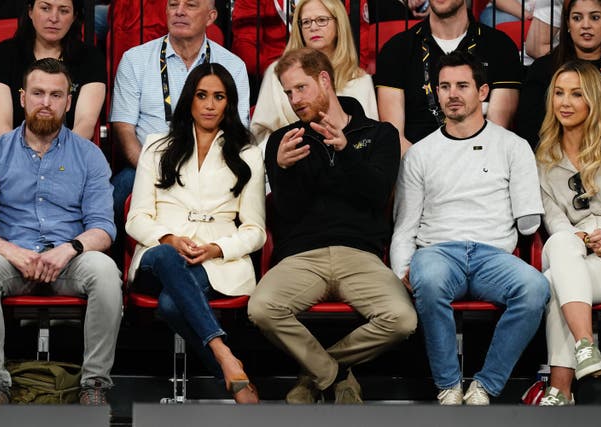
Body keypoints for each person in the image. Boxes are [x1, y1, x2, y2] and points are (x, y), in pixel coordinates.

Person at [248, 47, 417, 404]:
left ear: (324, 80)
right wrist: (281, 170)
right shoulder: (282, 141)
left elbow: (376, 196)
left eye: (300, 88)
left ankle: (313, 376)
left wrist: (346, 153)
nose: (294, 100)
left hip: (360, 254)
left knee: (402, 319)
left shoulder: (380, 133)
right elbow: (288, 213)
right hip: (300, 256)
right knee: (261, 308)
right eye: (288, 91)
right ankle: (336, 374)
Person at [390, 51, 549, 405]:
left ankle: (485, 386)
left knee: (535, 288)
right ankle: (448, 385)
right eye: (444, 86)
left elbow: (529, 224)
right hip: (437, 252)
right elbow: (405, 225)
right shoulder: (420, 153)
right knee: (427, 279)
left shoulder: (513, 146)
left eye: (462, 85)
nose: (452, 94)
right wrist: (403, 266)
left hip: (493, 255)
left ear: (484, 91)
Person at [126, 63, 265, 404]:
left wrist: (216, 248)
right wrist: (169, 239)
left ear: (229, 103)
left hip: (214, 261)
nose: (209, 105)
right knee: (163, 256)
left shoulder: (247, 152)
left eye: (219, 97)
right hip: (157, 257)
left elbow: (255, 230)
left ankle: (225, 372)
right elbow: (136, 218)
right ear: (189, 99)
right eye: (202, 95)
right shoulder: (157, 146)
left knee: (172, 305)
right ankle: (225, 356)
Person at [0, 58, 121, 406]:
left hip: (68, 260)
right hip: (11, 258)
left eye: (55, 94)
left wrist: (68, 249)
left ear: (68, 102)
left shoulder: (90, 156)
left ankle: (94, 385)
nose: (45, 102)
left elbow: (103, 228)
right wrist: (11, 252)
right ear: (22, 98)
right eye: (37, 93)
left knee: (106, 273)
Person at [110, 0, 250, 266]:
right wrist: (149, 168)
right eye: (173, 4)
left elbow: (237, 131)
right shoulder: (136, 59)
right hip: (148, 165)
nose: (179, 11)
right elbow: (124, 129)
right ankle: (119, 277)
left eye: (190, 5)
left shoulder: (232, 65)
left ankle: (232, 271)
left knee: (246, 190)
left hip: (211, 167)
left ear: (211, 17)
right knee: (118, 194)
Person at [535, 60, 601, 405]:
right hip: (575, 247)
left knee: (553, 282)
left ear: (594, 99)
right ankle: (585, 346)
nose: (565, 102)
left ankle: (560, 388)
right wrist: (582, 240)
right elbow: (554, 219)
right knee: (560, 243)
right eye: (559, 93)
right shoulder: (544, 158)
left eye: (576, 94)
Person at [376, 0, 523, 155]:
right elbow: (394, 137)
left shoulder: (500, 46)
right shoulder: (396, 49)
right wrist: (426, 171)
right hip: (417, 168)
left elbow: (496, 130)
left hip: (480, 165)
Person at [250, 0, 378, 151]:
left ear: (339, 25)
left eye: (322, 20)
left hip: (346, 163)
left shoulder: (359, 79)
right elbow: (261, 133)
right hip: (292, 159)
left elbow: (369, 138)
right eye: (306, 22)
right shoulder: (276, 71)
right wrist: (280, 151)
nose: (313, 27)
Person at [517, 0, 601, 150]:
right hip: (557, 162)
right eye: (577, 18)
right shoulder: (543, 69)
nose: (586, 25)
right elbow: (529, 131)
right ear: (568, 24)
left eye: (595, 17)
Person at [0, 0, 106, 140]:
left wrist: (59, 160)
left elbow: (84, 125)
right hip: (11, 155)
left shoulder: (91, 59)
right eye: (45, 8)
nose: (54, 18)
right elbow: (1, 127)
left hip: (69, 156)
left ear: (74, 16)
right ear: (30, 11)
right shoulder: (1, 55)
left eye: (63, 11)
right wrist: (22, 160)